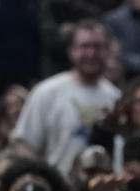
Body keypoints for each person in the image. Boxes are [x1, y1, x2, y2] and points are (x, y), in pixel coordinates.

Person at [11, 19, 120, 174]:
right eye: (84, 46)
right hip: (58, 189)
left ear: (108, 51)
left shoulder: (115, 97)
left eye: (97, 46)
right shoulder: (46, 92)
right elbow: (24, 145)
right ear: (71, 51)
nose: (91, 53)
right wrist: (46, 179)